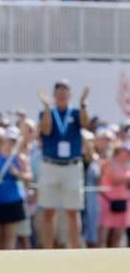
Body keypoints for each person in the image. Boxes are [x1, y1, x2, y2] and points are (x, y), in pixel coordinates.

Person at [37, 79, 88, 249]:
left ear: (70, 94)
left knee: (73, 211)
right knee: (48, 211)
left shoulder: (76, 112)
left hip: (72, 166)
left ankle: (75, 248)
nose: (62, 94)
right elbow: (46, 130)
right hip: (50, 165)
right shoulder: (47, 113)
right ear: (54, 94)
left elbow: (86, 124)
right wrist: (46, 107)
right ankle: (48, 250)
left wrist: (83, 104)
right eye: (58, 91)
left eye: (65, 91)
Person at [0, 126, 32, 250]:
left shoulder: (19, 158)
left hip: (13, 200)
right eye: (10, 140)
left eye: (14, 141)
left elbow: (29, 177)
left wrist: (17, 173)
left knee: (10, 236)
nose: (12, 143)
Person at [99, 142, 130, 247]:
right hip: (107, 202)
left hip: (123, 203)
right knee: (103, 234)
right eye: (127, 151)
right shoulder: (108, 163)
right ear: (120, 151)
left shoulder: (128, 165)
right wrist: (127, 179)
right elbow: (114, 180)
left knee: (118, 236)